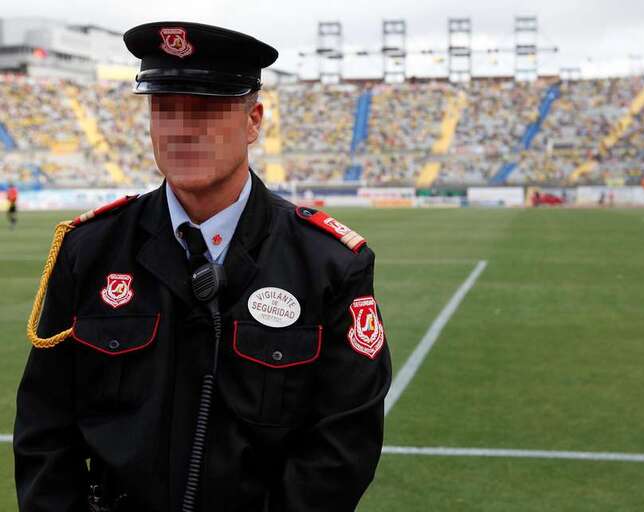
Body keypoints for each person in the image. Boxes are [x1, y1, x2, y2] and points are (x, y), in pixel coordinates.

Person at [14, 21, 391, 512]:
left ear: (254, 121)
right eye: (164, 109)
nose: (182, 128)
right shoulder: (88, 250)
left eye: (207, 108)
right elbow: (43, 431)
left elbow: (344, 446)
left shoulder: (329, 263)